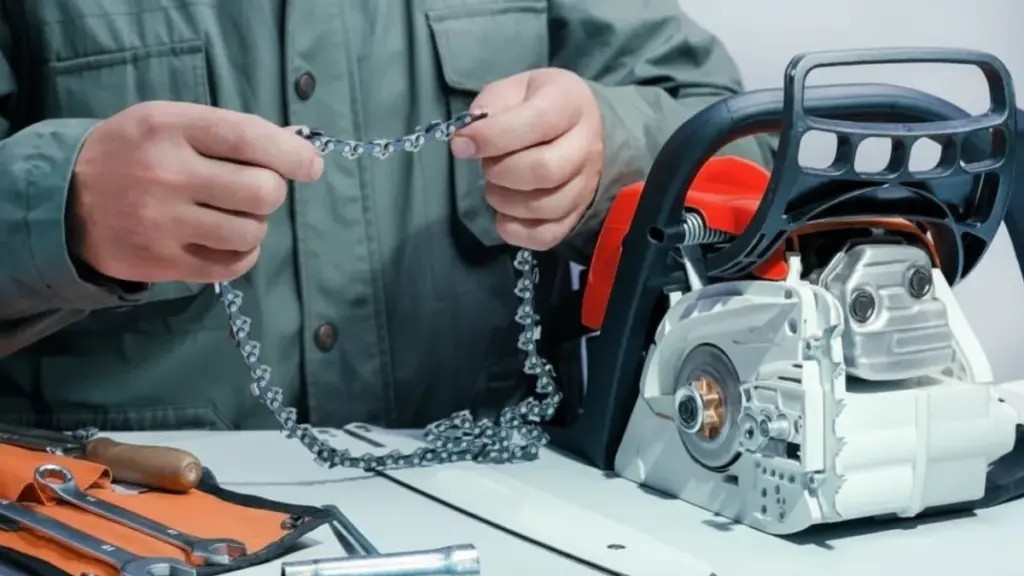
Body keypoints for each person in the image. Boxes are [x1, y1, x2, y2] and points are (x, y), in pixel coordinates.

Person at [0, 1, 773, 431]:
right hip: (108, 522)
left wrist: (611, 151)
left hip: (504, 514)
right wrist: (62, 205)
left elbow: (749, 143)